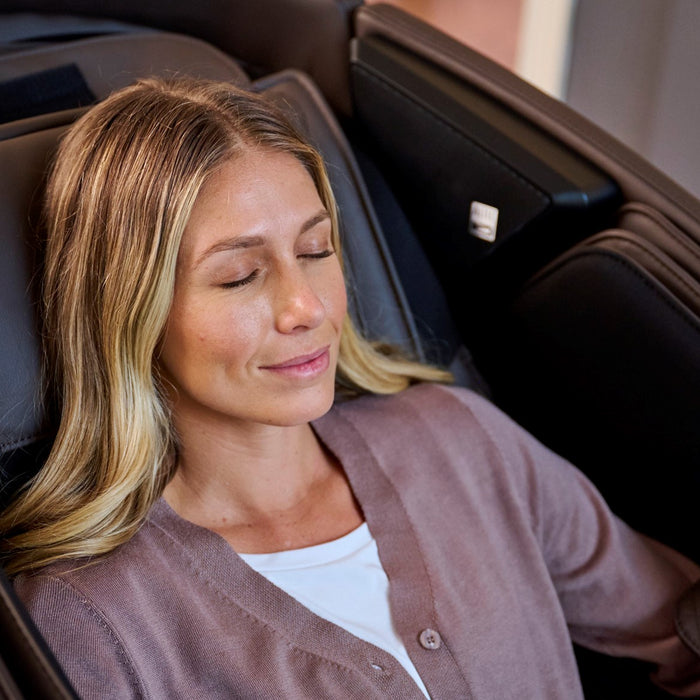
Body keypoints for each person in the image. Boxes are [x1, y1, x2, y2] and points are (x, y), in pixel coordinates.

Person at [1, 77, 699, 699]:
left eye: (316, 250)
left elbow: (681, 630)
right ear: (128, 309)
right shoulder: (88, 620)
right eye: (240, 276)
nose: (306, 306)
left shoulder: (462, 440)